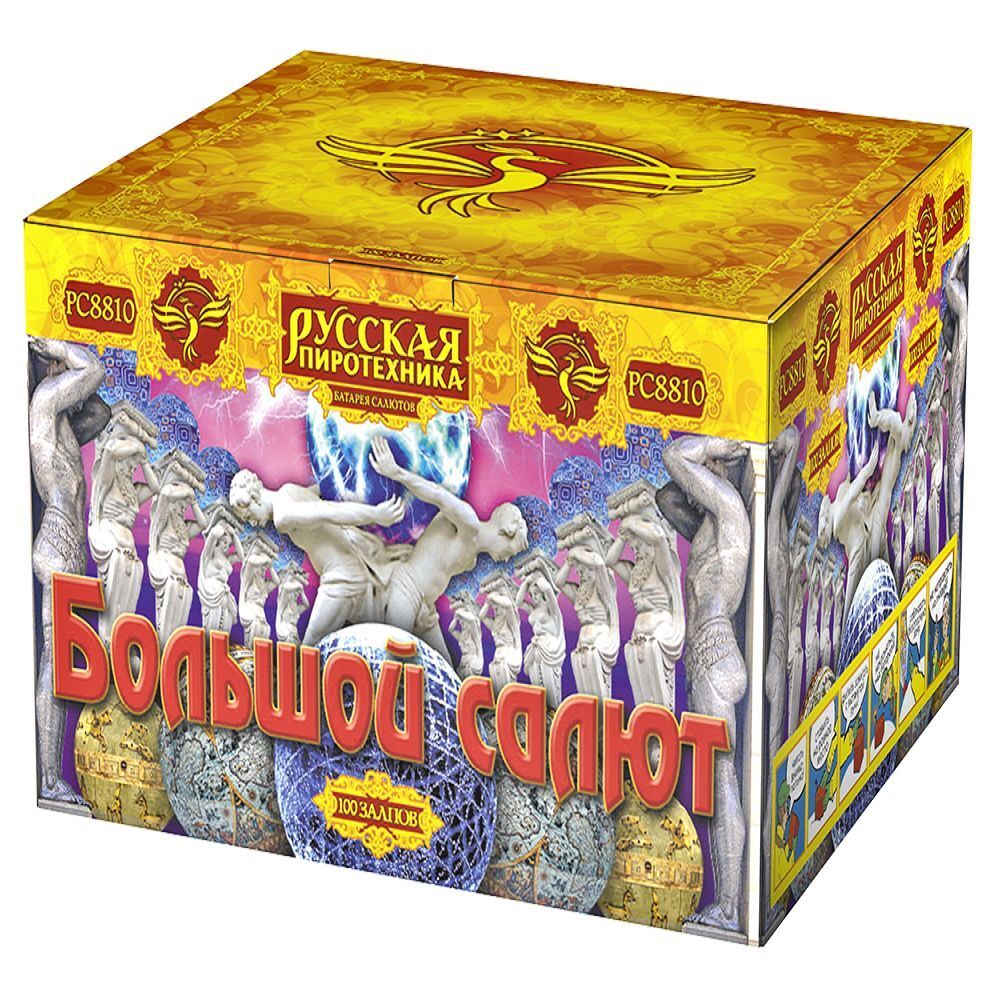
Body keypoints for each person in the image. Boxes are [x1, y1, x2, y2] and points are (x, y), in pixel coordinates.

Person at [661, 435, 751, 932]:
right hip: (706, 660)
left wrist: (717, 447)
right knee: (716, 782)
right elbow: (666, 497)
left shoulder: (731, 507)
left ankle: (731, 908)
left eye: (710, 463)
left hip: (715, 654)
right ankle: (729, 905)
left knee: (722, 782)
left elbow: (673, 458)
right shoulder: (709, 527)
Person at [28, 338, 108, 803]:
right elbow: (93, 370)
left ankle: (51, 777)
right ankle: (49, 779)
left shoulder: (60, 424)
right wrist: (59, 348)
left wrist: (69, 374)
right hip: (58, 542)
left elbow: (101, 413)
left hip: (70, 548)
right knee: (54, 665)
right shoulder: (42, 402)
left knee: (61, 667)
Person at [368, 436, 528, 658]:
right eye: (511, 551)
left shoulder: (472, 559)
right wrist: (396, 472)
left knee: (445, 668)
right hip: (407, 590)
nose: (507, 558)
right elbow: (437, 495)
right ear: (505, 532)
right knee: (393, 658)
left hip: (425, 609)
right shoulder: (468, 523)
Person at [229, 467, 404, 646]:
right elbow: (320, 492)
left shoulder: (283, 516)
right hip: (347, 569)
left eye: (249, 515)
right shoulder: (287, 490)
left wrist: (375, 514)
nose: (253, 522)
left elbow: (329, 511)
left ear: (254, 499)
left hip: (342, 578)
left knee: (310, 647)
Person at [606, 481, 684, 711]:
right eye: (634, 545)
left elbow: (658, 537)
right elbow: (610, 560)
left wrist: (632, 523)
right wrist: (623, 536)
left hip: (660, 632)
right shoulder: (635, 572)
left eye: (639, 544)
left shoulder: (663, 565)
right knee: (643, 697)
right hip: (638, 636)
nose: (635, 548)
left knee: (660, 696)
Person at [514, 554, 565, 709]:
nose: (533, 596)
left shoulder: (552, 610)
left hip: (549, 649)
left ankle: (553, 711)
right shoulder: (533, 610)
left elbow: (548, 589)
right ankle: (542, 712)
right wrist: (527, 583)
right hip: (536, 648)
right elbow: (517, 602)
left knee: (550, 683)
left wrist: (538, 575)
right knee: (537, 683)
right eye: (532, 594)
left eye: (536, 593)